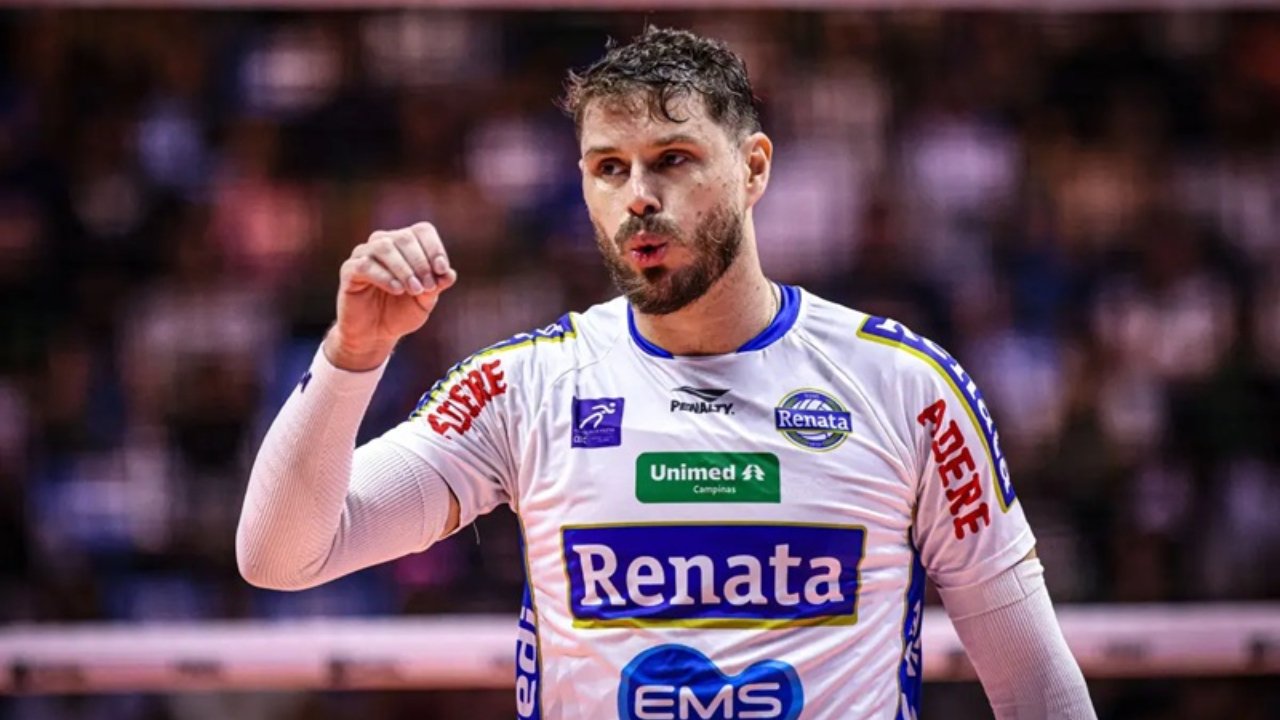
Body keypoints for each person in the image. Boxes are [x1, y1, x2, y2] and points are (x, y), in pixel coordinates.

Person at [237, 26, 1096, 720]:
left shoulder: (904, 387)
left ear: (754, 166)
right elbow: (281, 558)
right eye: (609, 168)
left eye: (673, 158)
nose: (638, 195)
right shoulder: (526, 387)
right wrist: (353, 358)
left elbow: (1036, 692)